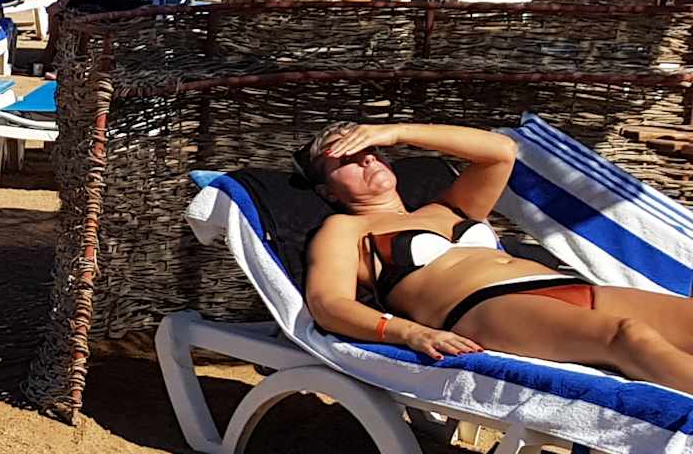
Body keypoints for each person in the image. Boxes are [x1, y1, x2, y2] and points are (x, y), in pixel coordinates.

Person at [295, 121, 693, 391]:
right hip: (486, 308)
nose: (365, 158)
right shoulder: (346, 229)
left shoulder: (449, 206)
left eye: (369, 150)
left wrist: (397, 131)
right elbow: (329, 304)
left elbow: (501, 151)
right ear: (328, 192)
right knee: (629, 337)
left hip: (562, 286)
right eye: (344, 159)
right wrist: (409, 332)